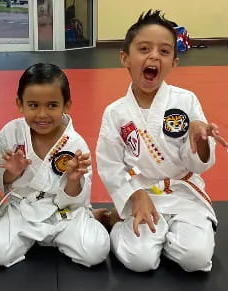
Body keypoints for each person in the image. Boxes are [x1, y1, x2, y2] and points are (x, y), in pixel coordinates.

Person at [96, 10, 228, 272]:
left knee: (196, 259)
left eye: (164, 51)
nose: (154, 56)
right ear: (125, 58)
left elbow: (200, 165)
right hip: (141, 195)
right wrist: (134, 194)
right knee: (140, 261)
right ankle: (118, 221)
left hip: (182, 194)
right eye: (144, 48)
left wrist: (201, 141)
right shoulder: (116, 112)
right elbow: (110, 164)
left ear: (174, 62)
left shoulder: (186, 101)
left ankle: (165, 233)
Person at [0, 63, 110, 268]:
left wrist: (73, 180)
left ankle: (90, 219)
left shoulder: (75, 144)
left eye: (52, 105)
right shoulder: (12, 132)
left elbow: (76, 197)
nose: (42, 114)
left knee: (95, 251)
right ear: (20, 104)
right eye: (33, 105)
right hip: (21, 208)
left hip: (62, 212)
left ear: (66, 105)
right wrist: (11, 173)